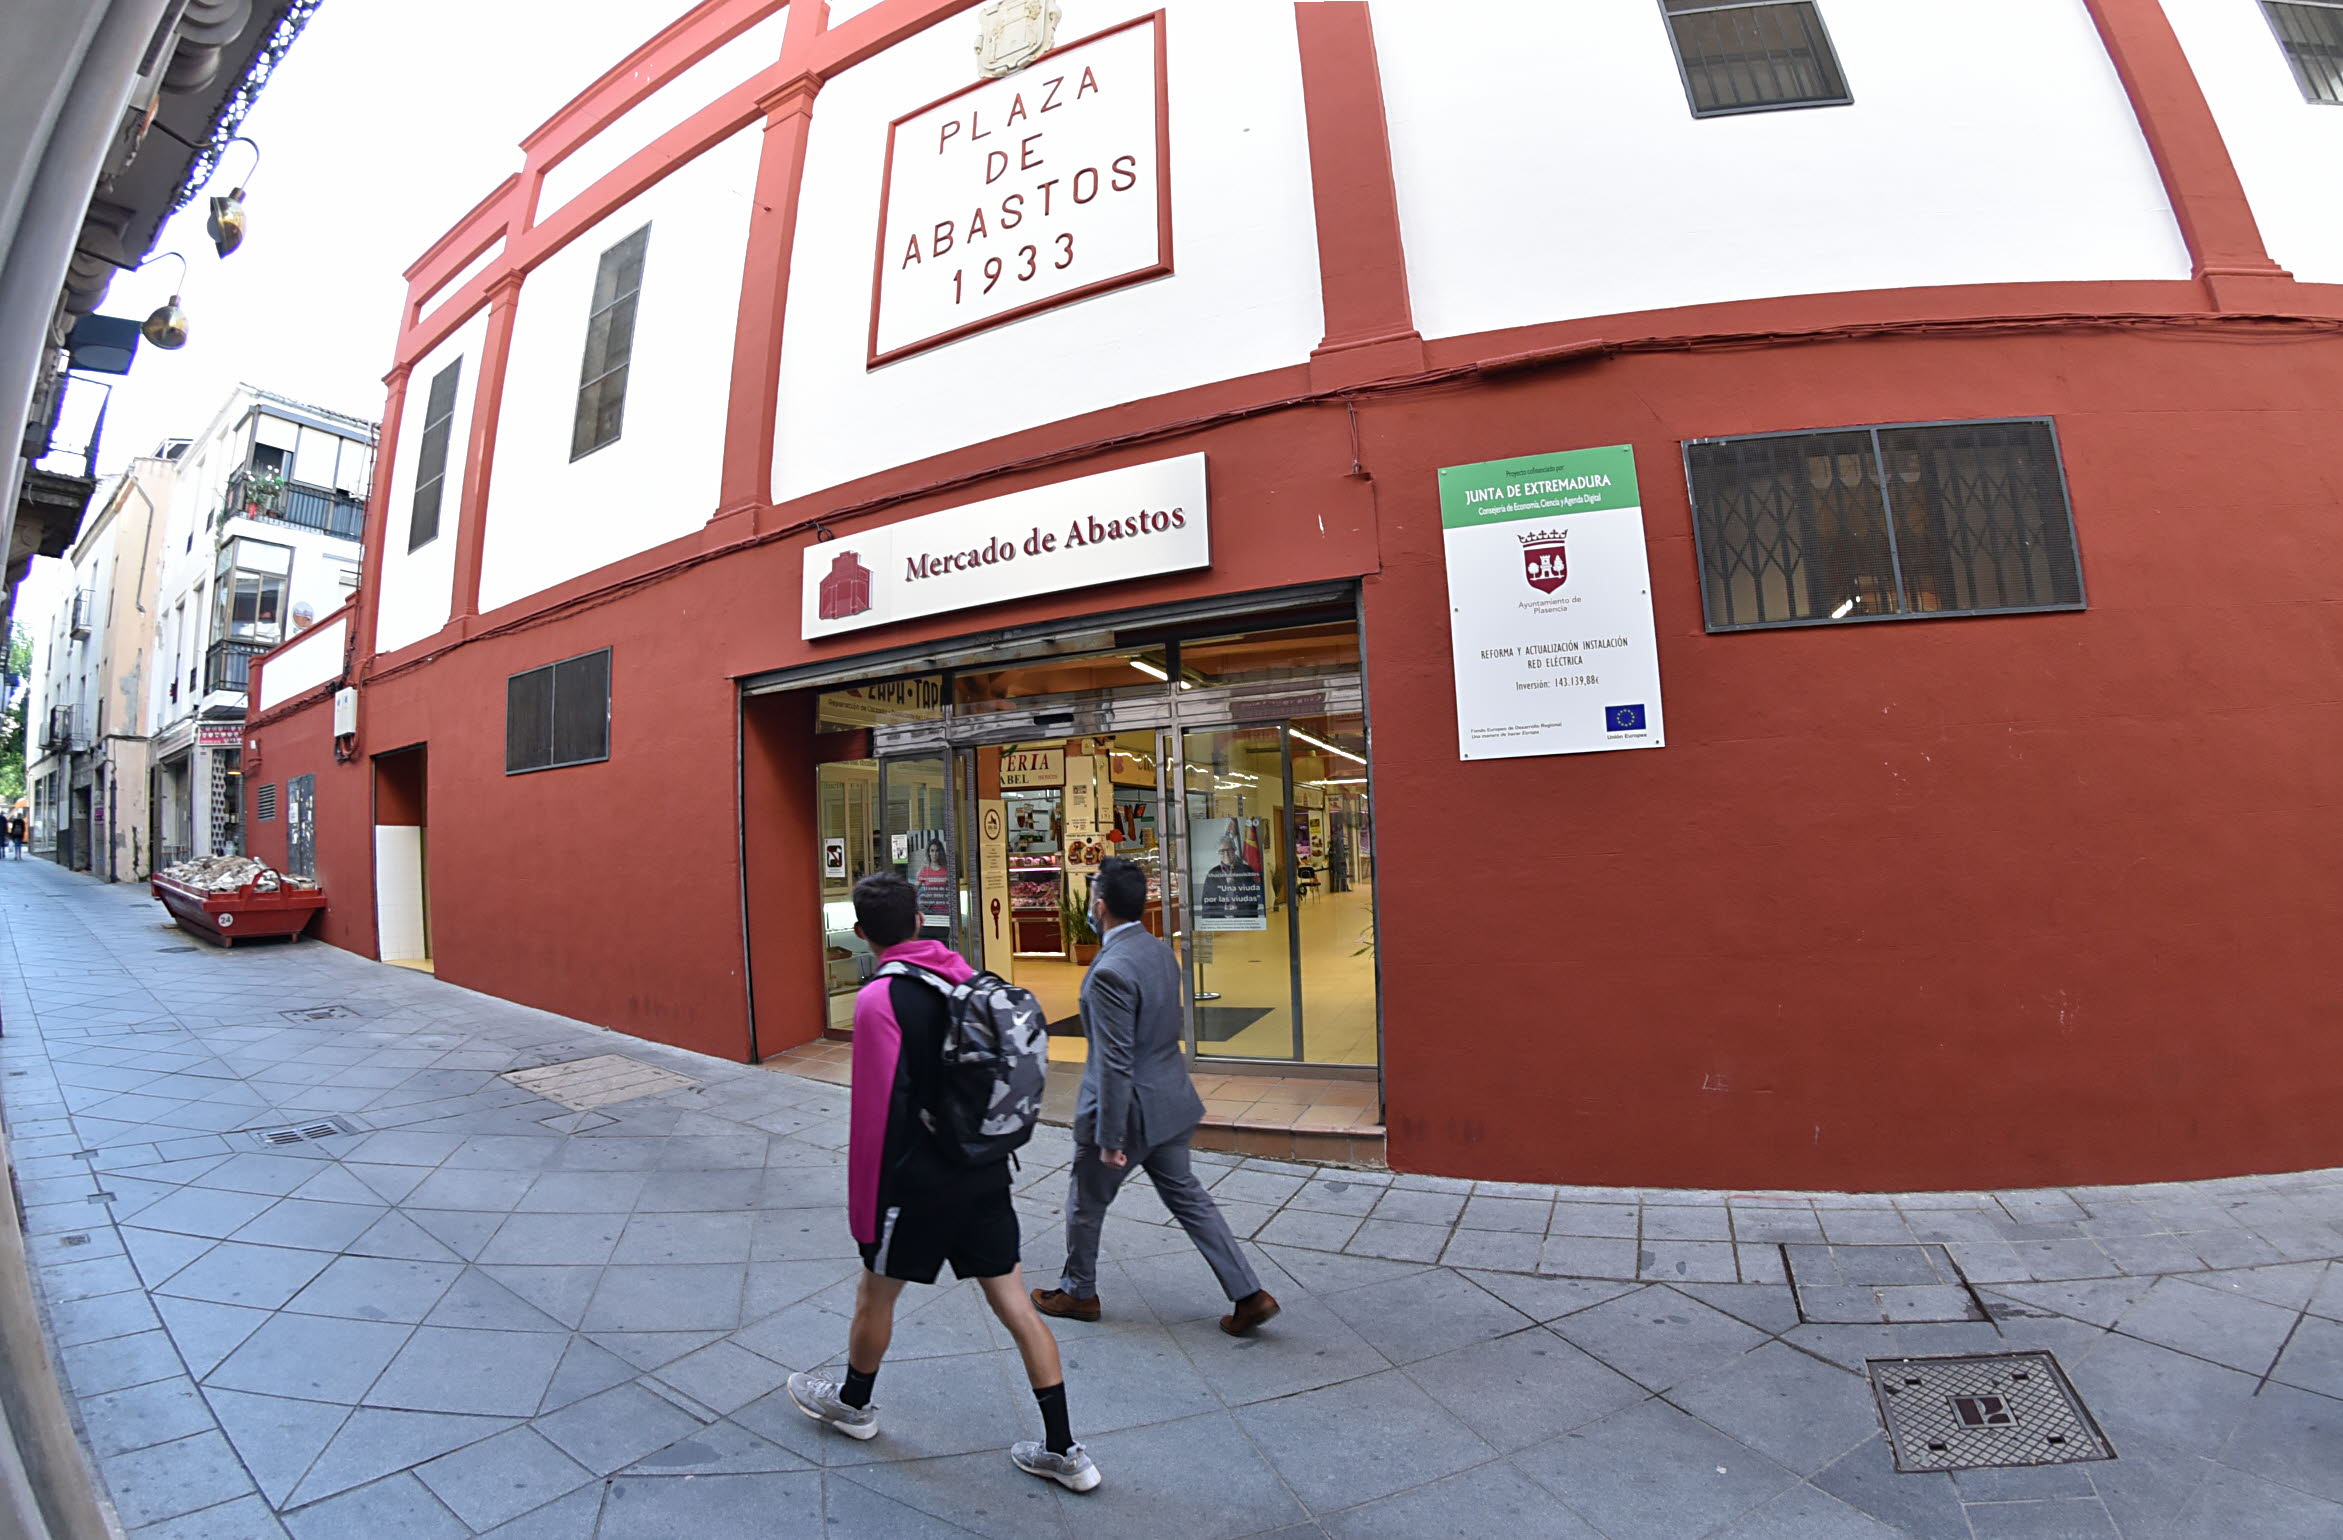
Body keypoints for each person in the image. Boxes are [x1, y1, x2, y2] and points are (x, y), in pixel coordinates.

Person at [785, 872, 1102, 1493]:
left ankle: (854, 1404)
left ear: (859, 935)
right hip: (983, 1171)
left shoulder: (879, 999)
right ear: (921, 923)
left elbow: (878, 1114)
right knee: (1015, 1306)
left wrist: (865, 1213)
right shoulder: (959, 972)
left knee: (875, 1296)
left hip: (918, 1185)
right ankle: (1065, 1451)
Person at [1032, 857, 1281, 1335]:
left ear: (1100, 906)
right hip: (1169, 1101)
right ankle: (1249, 1294)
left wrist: (1107, 1136)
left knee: (1086, 1202)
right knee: (1189, 1199)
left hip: (1127, 1112)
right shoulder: (1160, 951)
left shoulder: (1110, 970)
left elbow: (1114, 1059)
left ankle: (1078, 1292)